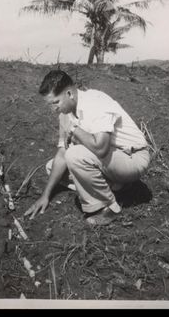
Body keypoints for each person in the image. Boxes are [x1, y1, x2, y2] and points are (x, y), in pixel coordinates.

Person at [24, 70, 150, 225]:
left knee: (75, 155)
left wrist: (72, 129)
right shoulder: (65, 113)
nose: (53, 109)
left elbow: (101, 149)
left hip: (132, 157)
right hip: (111, 159)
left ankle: (109, 209)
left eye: (56, 102)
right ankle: (117, 186)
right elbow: (62, 153)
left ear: (69, 93)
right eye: (50, 105)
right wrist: (45, 195)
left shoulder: (95, 102)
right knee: (53, 168)